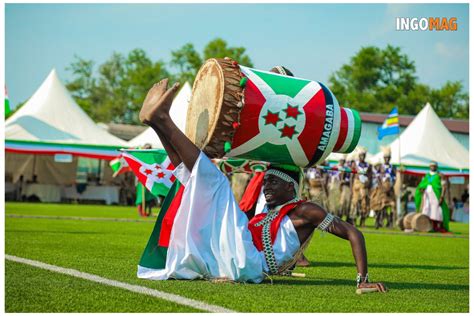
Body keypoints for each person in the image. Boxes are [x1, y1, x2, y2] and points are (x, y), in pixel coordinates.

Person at [136, 77, 386, 292]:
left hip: (251, 263)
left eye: (273, 182)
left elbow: (354, 233)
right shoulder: (269, 211)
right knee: (194, 180)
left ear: (290, 187)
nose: (265, 187)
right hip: (241, 255)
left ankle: (163, 120)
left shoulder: (306, 211)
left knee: (216, 184)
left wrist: (362, 280)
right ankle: (157, 123)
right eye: (266, 180)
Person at [415, 161, 450, 232]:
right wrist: (421, 189)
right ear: (429, 166)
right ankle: (427, 226)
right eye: (431, 166)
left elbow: (444, 187)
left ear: (437, 167)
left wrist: (442, 197)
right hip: (427, 196)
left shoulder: (440, 175)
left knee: (437, 211)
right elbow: (422, 185)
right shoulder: (427, 175)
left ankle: (437, 227)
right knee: (426, 210)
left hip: (436, 196)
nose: (433, 167)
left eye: (434, 166)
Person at [350, 148, 372, 227]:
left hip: (364, 187)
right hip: (356, 187)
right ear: (358, 156)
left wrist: (368, 184)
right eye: (361, 155)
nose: (362, 157)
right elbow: (351, 177)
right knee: (355, 204)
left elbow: (370, 176)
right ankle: (354, 222)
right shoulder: (354, 164)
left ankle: (362, 222)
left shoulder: (368, 165)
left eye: (363, 155)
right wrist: (350, 189)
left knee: (364, 204)